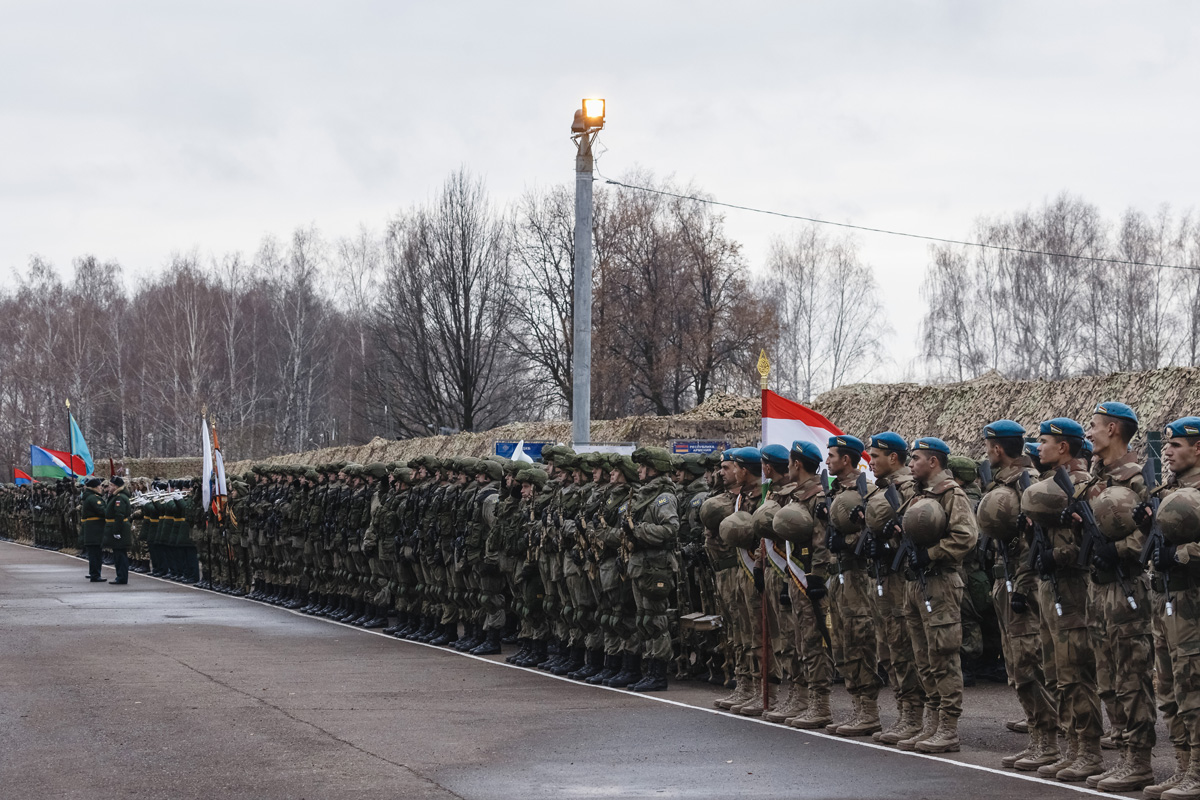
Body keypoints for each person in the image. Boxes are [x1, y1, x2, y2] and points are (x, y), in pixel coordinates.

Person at [894, 436, 978, 753]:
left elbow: (967, 536)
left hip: (940, 581)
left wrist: (932, 554)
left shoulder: (951, 493)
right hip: (916, 583)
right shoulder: (919, 495)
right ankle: (931, 722)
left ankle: (948, 727)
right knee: (924, 658)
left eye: (915, 458)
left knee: (943, 656)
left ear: (933, 462)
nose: (910, 463)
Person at [1144, 416, 1200, 799]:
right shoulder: (1170, 491)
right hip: (1165, 601)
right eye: (1166, 444)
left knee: (1193, 688)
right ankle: (1182, 767)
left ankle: (1197, 771)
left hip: (1192, 602)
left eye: (1176, 444)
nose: (1167, 450)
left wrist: (1178, 554)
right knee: (1168, 688)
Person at [105, 477, 132, 585]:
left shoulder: (119, 498)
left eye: (111, 485)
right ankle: (120, 576)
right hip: (117, 527)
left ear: (116, 486)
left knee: (120, 554)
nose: (109, 487)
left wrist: (116, 531)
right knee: (118, 554)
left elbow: (119, 515)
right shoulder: (115, 496)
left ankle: (122, 577)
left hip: (120, 528)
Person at [81, 478, 107, 583]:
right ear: (95, 487)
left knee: (94, 553)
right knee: (95, 553)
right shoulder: (93, 498)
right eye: (100, 486)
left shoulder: (90, 497)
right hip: (95, 529)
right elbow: (102, 511)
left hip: (92, 529)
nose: (101, 488)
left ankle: (94, 573)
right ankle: (95, 574)